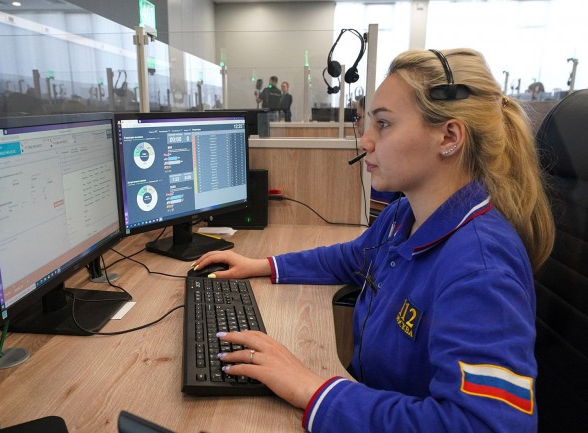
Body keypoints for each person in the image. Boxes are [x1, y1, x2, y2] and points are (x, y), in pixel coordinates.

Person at [191, 48, 555, 432]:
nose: (365, 141)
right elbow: (351, 257)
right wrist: (263, 265)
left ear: (449, 136)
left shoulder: (480, 270)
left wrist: (311, 388)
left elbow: (485, 426)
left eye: (383, 124)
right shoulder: (405, 215)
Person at [354, 96, 402, 224]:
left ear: (448, 137)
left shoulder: (389, 184)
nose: (363, 143)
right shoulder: (402, 210)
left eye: (382, 123)